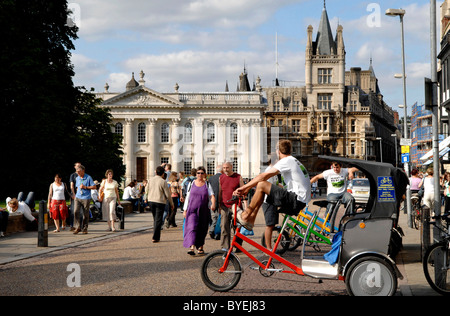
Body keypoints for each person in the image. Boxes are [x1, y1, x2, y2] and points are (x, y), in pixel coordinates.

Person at [233, 140, 311, 251]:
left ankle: (246, 216)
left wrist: (245, 187)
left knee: (261, 185)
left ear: (278, 151)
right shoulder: (294, 160)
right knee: (262, 190)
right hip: (299, 199)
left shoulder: (286, 161)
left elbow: (263, 177)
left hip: (295, 199)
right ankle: (251, 220)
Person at [183, 166, 215, 255]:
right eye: (198, 173)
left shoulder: (207, 184)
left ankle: (200, 246)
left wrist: (213, 204)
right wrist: (185, 210)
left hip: (203, 210)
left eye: (201, 173)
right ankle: (192, 247)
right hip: (192, 210)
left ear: (204, 174)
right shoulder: (191, 184)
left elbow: (212, 195)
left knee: (202, 229)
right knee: (192, 227)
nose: (200, 175)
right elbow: (187, 198)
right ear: (196, 174)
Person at [219, 161, 247, 251]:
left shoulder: (238, 177)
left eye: (227, 167)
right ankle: (225, 247)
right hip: (224, 205)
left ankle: (238, 245)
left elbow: (244, 191)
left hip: (236, 205)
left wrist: (240, 194)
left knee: (238, 227)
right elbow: (220, 192)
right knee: (224, 226)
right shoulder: (221, 178)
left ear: (231, 167)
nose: (225, 169)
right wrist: (219, 204)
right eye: (224, 168)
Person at [147, 166, 174, 243]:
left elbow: (146, 190)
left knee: (155, 218)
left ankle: (155, 236)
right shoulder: (163, 181)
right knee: (158, 220)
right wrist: (172, 203)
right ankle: (155, 237)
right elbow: (168, 194)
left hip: (151, 200)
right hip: (160, 201)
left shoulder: (150, 180)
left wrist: (147, 198)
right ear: (162, 174)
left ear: (156, 172)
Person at [72, 165, 96, 234]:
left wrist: (85, 187)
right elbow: (77, 187)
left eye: (79, 171)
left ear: (83, 171)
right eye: (77, 172)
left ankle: (85, 228)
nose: (78, 173)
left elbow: (94, 187)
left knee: (85, 213)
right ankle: (78, 227)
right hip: (78, 197)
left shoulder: (88, 177)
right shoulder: (77, 178)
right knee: (76, 211)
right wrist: (76, 193)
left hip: (86, 198)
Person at [208, 165, 223, 240]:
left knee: (214, 217)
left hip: (212, 200)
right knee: (220, 218)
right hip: (221, 200)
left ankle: (212, 230)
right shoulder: (223, 178)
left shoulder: (211, 178)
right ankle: (216, 233)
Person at [69, 162, 82, 230]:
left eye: (80, 166)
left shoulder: (82, 175)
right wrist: (73, 194)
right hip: (75, 195)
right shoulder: (73, 175)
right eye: (77, 166)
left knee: (81, 211)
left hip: (81, 195)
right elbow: (72, 185)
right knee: (73, 210)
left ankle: (80, 225)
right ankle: (72, 225)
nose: (78, 167)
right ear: (75, 167)